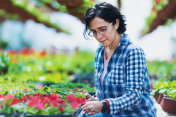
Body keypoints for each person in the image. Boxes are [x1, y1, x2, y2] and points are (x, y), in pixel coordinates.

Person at [81, 1, 157, 117]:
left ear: (116, 23)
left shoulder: (133, 52)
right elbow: (109, 92)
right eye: (94, 32)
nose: (99, 36)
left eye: (103, 29)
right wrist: (95, 100)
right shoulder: (100, 51)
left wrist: (103, 105)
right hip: (110, 114)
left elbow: (134, 96)